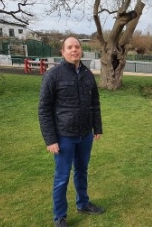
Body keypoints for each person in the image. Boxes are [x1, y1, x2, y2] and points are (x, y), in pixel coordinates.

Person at [38, 37, 104, 227]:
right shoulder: (53, 75)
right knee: (62, 177)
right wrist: (50, 140)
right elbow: (44, 109)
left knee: (82, 170)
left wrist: (97, 128)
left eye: (77, 47)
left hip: (85, 135)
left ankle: (83, 204)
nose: (74, 50)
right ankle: (60, 216)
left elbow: (95, 104)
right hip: (63, 136)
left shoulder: (88, 75)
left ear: (81, 50)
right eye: (70, 47)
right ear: (63, 51)